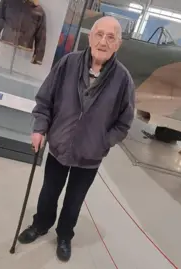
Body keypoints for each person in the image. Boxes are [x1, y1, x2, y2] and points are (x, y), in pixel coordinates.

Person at [17, 16, 135, 262]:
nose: (103, 41)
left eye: (110, 37)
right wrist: (40, 129)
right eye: (99, 35)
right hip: (59, 146)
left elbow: (124, 123)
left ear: (117, 44)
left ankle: (64, 235)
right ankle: (40, 225)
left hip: (90, 156)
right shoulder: (68, 63)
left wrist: (103, 141)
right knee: (49, 193)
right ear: (90, 37)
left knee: (74, 200)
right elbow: (44, 101)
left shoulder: (123, 80)